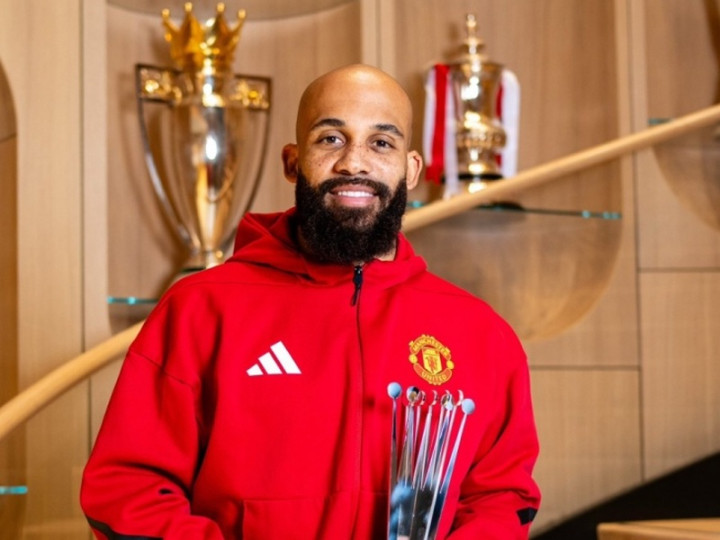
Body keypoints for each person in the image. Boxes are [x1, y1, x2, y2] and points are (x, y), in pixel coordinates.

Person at [81, 64, 541, 539]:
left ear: (411, 170)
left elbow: (500, 497)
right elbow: (128, 492)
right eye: (331, 139)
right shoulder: (199, 309)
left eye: (381, 143)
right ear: (292, 161)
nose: (354, 163)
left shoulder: (480, 333)